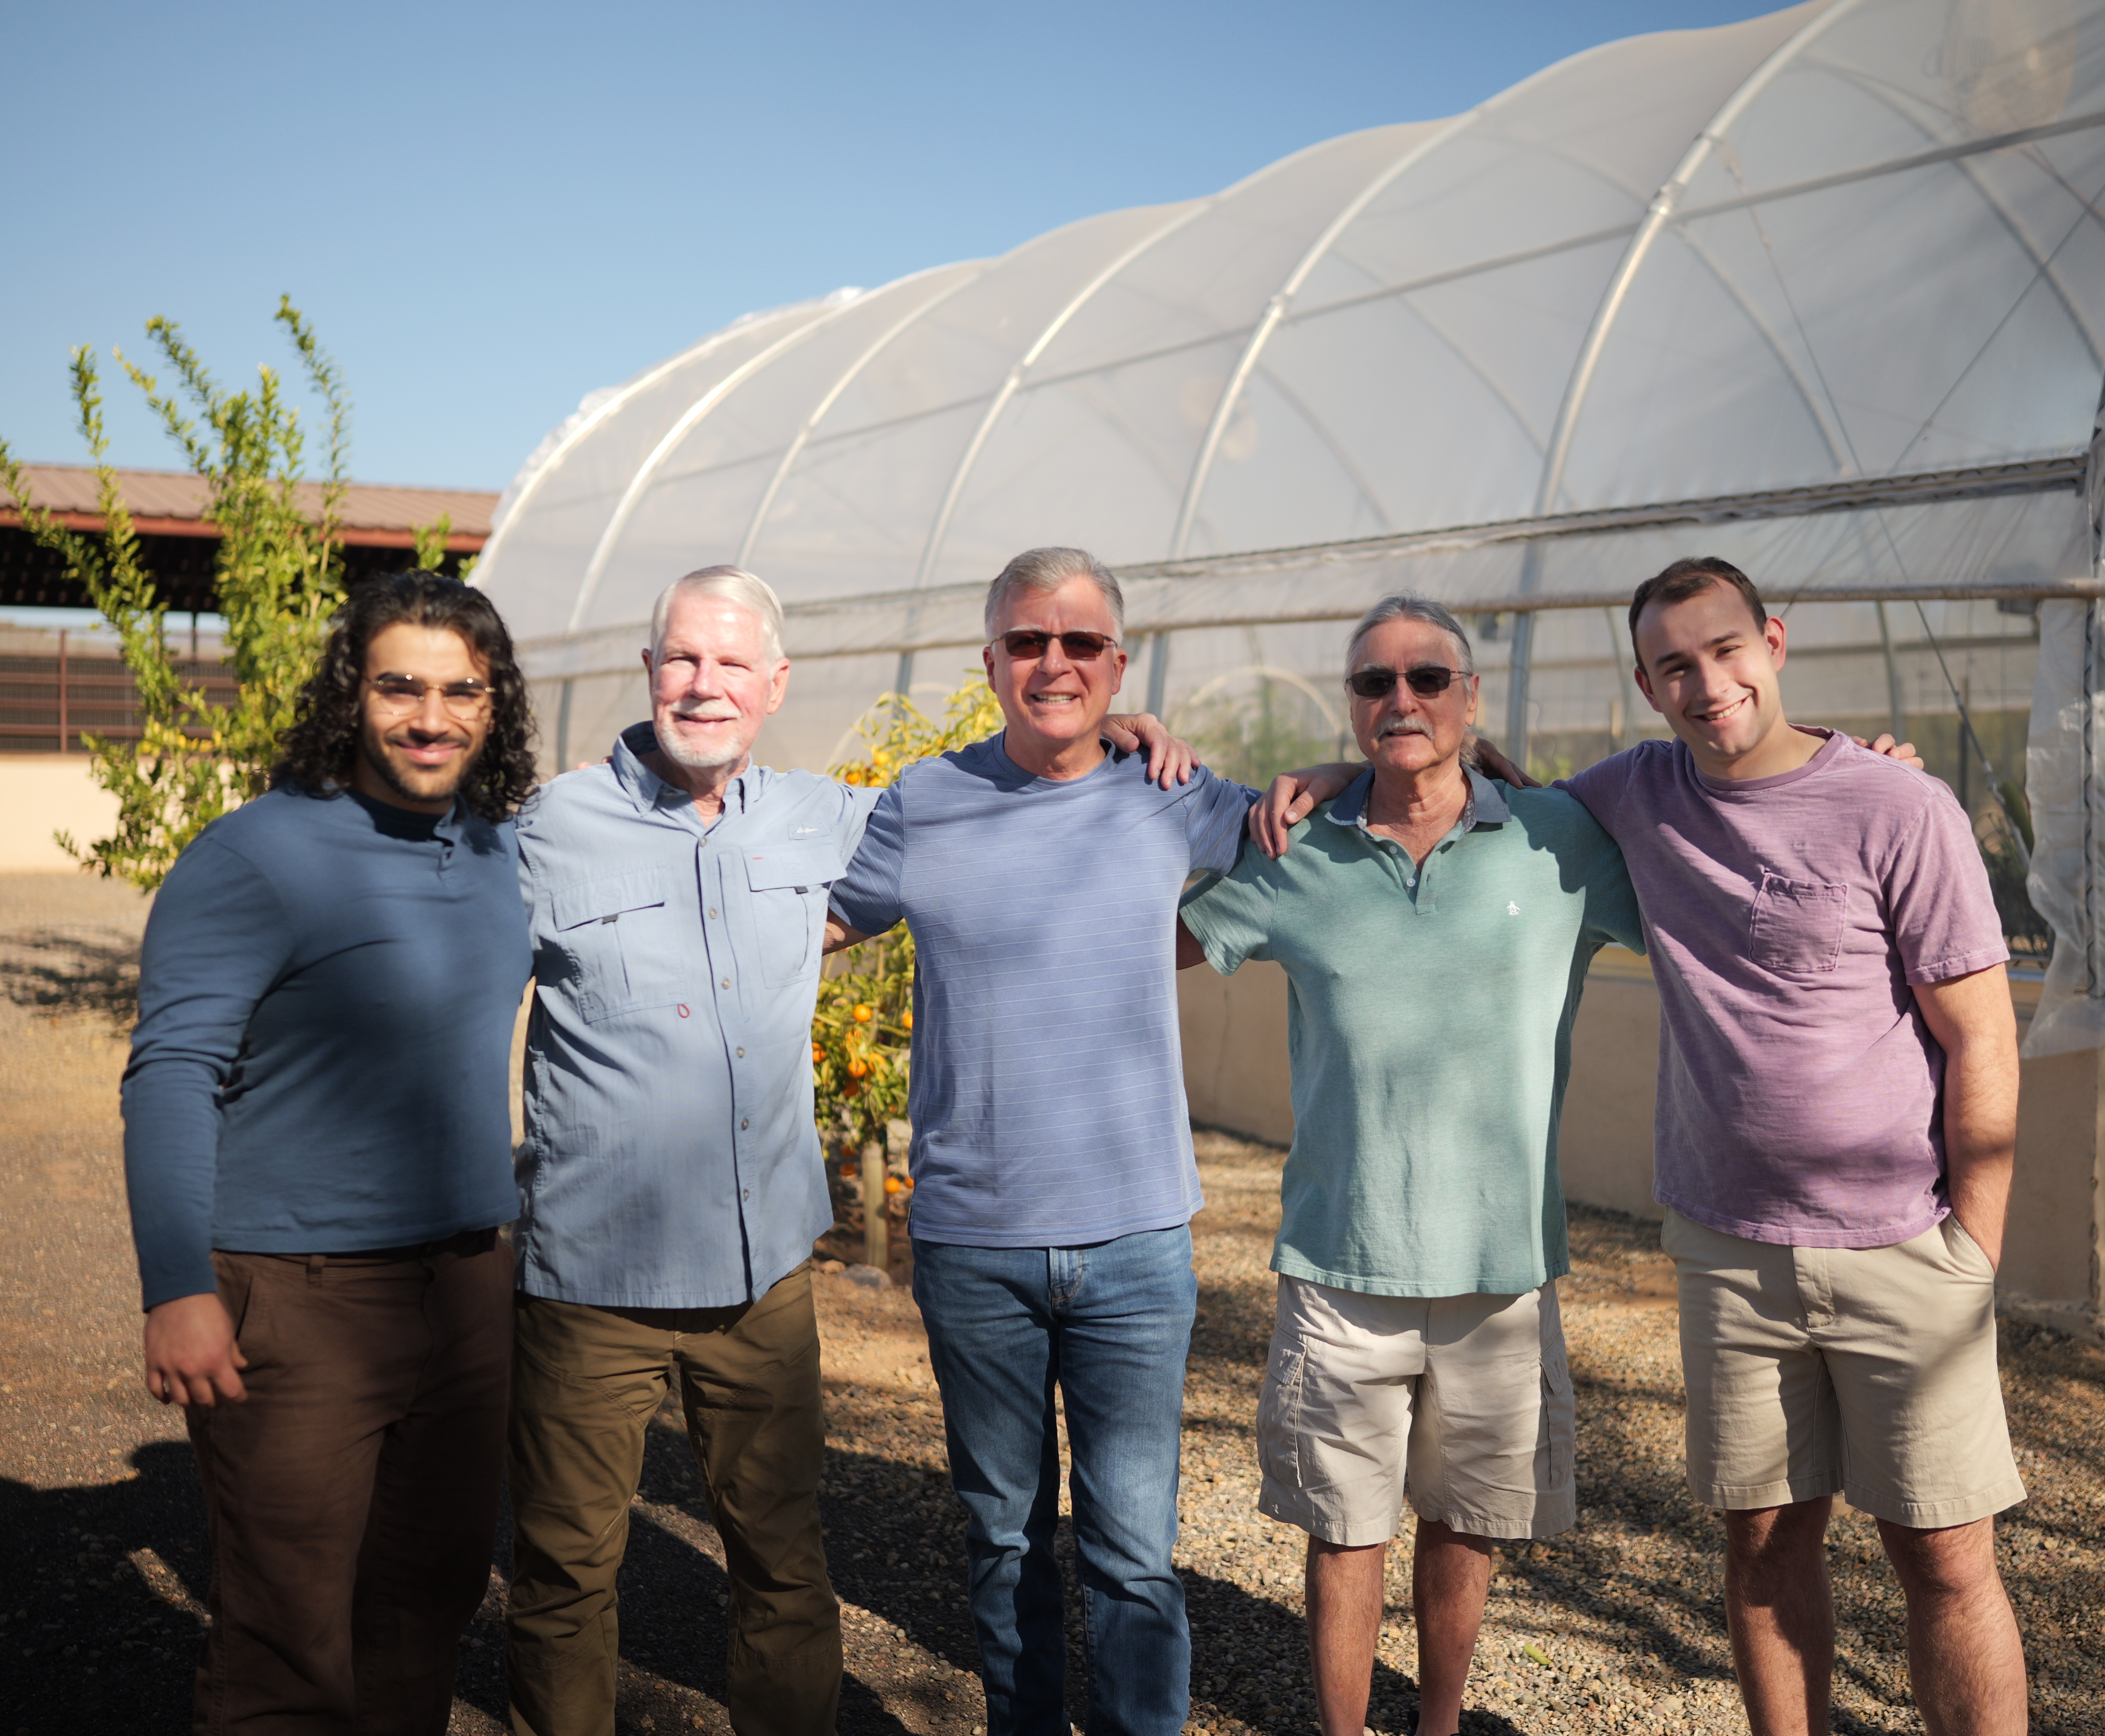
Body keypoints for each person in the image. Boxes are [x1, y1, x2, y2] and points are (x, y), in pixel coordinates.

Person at [1261, 556, 2026, 1734]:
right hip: (1728, 1251)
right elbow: (1477, 789)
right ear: (1646, 685)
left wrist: (1973, 1251)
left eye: (1725, 651)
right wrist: (1352, 769)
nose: (1708, 683)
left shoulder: (1896, 805)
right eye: (1677, 666)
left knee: (1947, 1561)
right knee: (1765, 1554)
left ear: (1773, 642)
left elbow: (1981, 1036)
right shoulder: (1636, 797)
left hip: (1905, 1247)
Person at [506, 563, 1198, 1736]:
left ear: (774, 685)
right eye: (684, 658)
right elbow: (443, 995)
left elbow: (1017, 800)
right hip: (589, 1273)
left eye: (733, 664)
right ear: (649, 670)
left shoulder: (833, 816)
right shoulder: (552, 828)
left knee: (784, 1559)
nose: (705, 684)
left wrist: (1115, 736)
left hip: (761, 1270)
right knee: (566, 1574)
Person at [1173, 596, 1644, 1736]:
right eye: (1375, 684)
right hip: (1341, 1264)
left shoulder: (1560, 843)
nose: (1403, 700)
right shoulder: (1297, 850)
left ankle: (1437, 1724)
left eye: (1429, 679)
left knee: (1469, 1524)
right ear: (1352, 705)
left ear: (1470, 699)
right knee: (1346, 1534)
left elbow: (1719, 886)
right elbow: (1144, 948)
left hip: (1502, 1270)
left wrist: (1863, 780)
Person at [822, 548, 1256, 1736]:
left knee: (1132, 1553)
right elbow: (813, 921)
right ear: (992, 662)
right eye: (1028, 642)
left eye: (1079, 644)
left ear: (1119, 662)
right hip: (974, 1245)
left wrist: (1397, 757)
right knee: (1004, 1536)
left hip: (1133, 1245)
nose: (1052, 663)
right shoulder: (923, 801)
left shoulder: (1170, 790)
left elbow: (1311, 840)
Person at [124, 571, 537, 1734]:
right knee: (287, 1643)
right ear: (349, 694)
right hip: (294, 1299)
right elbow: (170, 1074)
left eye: (462, 690)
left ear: (493, 705)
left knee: (425, 1612)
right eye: (400, 685)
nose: (430, 716)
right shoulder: (256, 857)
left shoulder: (500, 847)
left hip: (462, 1289)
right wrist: (178, 1288)